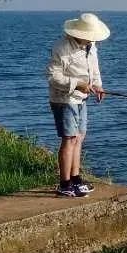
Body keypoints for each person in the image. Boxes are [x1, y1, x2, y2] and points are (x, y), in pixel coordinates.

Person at [46, 13, 110, 197]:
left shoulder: (91, 46)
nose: (92, 39)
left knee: (79, 137)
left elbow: (94, 69)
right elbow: (52, 77)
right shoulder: (62, 48)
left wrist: (98, 85)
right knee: (69, 139)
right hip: (65, 99)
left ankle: (75, 178)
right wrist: (77, 84)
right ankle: (64, 183)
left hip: (82, 99)